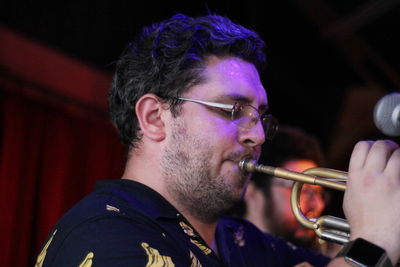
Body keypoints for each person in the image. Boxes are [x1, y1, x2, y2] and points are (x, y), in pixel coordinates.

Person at [36, 14, 400, 266]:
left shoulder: (240, 241)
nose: (257, 134)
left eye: (259, 116)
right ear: (154, 118)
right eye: (231, 110)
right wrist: (372, 245)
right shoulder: (102, 235)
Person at [237, 125, 340, 257]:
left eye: (319, 192)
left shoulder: (315, 258)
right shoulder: (224, 252)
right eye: (301, 190)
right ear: (250, 192)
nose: (318, 204)